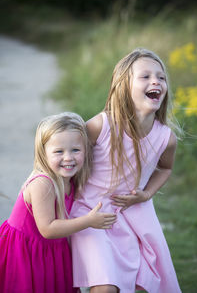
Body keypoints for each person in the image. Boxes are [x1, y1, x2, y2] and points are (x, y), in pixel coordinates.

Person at [70, 48, 182, 293]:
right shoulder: (101, 126)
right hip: (92, 213)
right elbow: (71, 162)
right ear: (123, 86)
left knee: (146, 279)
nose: (156, 81)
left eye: (161, 77)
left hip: (134, 215)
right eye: (145, 76)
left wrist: (147, 193)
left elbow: (165, 169)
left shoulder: (165, 138)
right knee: (107, 286)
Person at [0, 112, 117, 293]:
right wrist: (89, 221)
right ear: (43, 153)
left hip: (52, 251)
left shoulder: (71, 179)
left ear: (86, 150)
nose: (68, 157)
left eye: (75, 150)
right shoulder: (43, 183)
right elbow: (47, 229)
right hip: (25, 253)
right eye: (59, 152)